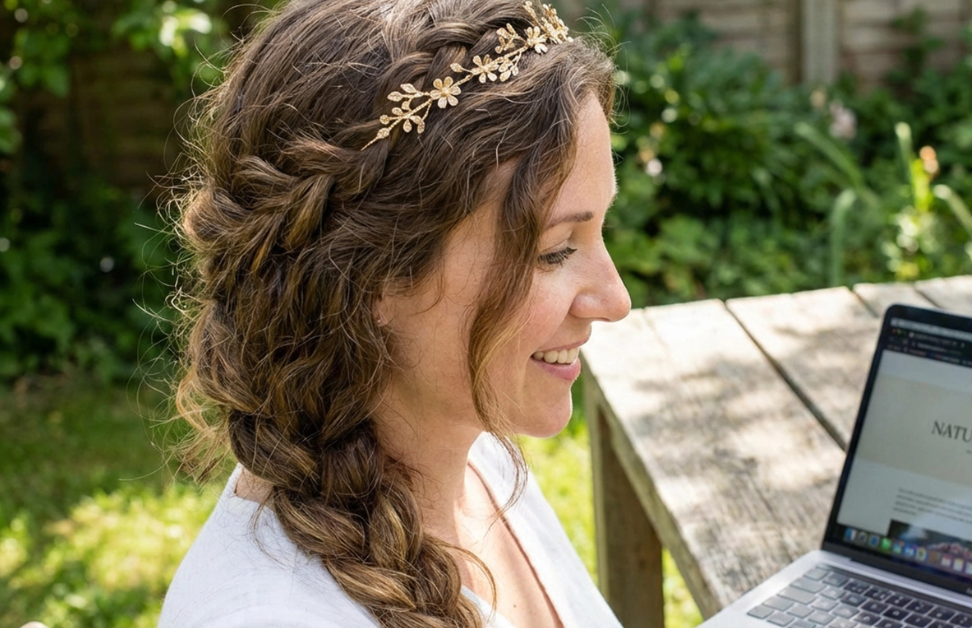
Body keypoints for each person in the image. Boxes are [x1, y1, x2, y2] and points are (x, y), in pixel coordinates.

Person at [159, 0, 631, 626]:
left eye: (600, 230)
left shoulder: (470, 452)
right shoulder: (277, 615)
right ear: (371, 274)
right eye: (553, 252)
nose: (616, 300)